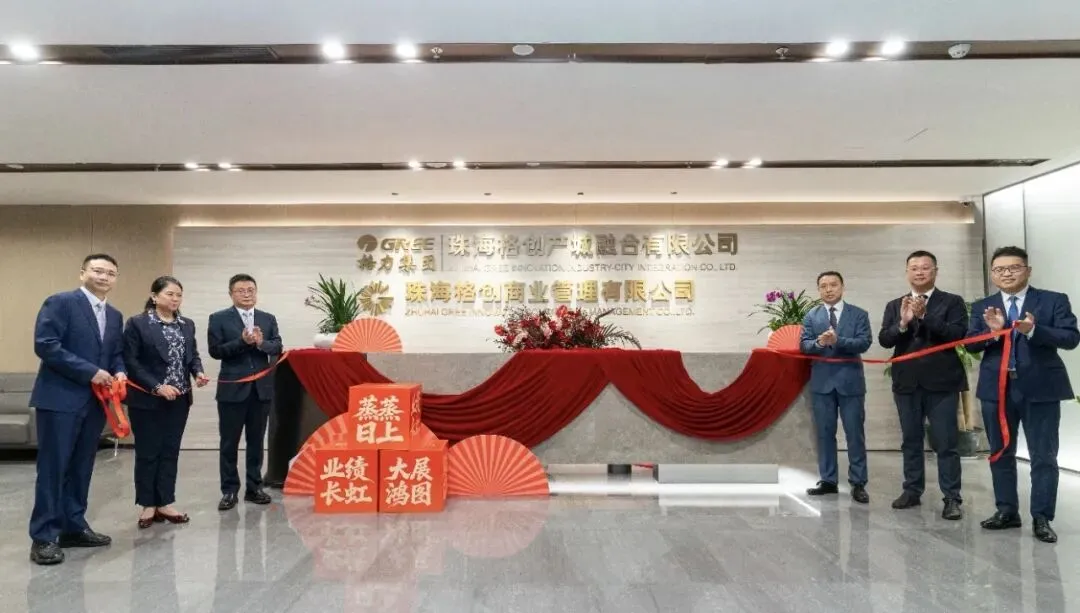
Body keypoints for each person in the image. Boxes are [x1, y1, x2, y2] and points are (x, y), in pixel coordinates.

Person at [967, 246, 1078, 543]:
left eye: (1014, 268)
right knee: (1000, 452)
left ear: (1027, 270)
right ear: (993, 274)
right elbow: (970, 345)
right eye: (1000, 269)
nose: (1007, 274)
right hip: (996, 390)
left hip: (1041, 389)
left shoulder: (1053, 300)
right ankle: (1006, 511)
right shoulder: (983, 307)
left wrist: (1033, 330)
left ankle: (1042, 517)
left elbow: (1070, 338)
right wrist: (993, 333)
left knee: (1043, 455)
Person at [28, 254, 126, 565]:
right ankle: (44, 536)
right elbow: (46, 344)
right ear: (82, 273)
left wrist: (119, 371)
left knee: (82, 467)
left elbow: (115, 353)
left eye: (110, 273)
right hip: (59, 400)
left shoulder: (115, 315)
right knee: (53, 468)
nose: (104, 277)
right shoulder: (60, 302)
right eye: (97, 270)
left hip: (95, 404)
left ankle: (73, 526)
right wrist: (90, 372)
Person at [878, 250, 968, 520]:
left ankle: (951, 497)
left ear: (935, 271)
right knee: (911, 440)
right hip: (906, 383)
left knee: (946, 443)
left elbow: (957, 334)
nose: (919, 272)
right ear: (907, 272)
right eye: (914, 267)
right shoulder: (895, 305)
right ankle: (912, 490)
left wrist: (926, 315)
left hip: (942, 383)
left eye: (925, 267)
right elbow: (885, 340)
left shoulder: (952, 301)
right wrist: (903, 323)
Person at [122, 276, 209, 529]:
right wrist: (157, 386)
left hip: (179, 399)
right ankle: (147, 504)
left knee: (170, 451)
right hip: (147, 399)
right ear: (154, 296)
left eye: (179, 295)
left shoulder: (186, 324)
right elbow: (131, 362)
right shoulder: (138, 323)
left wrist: (198, 372)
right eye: (170, 294)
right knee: (148, 451)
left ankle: (165, 502)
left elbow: (192, 355)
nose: (175, 299)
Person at [207, 274, 282, 511]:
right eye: (241, 290)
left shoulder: (267, 318)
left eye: (251, 290)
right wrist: (241, 341)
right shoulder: (218, 318)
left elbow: (277, 346)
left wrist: (260, 343)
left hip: (261, 391)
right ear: (231, 294)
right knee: (229, 442)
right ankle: (229, 491)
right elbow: (215, 351)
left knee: (256, 442)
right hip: (232, 390)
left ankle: (254, 488)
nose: (247, 294)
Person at [799, 271, 872, 503]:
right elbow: (804, 345)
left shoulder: (859, 314)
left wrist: (838, 341)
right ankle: (828, 480)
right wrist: (820, 342)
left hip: (851, 383)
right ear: (819, 290)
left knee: (855, 435)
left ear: (842, 287)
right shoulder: (811, 316)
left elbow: (864, 342)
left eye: (833, 285)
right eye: (823, 286)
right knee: (825, 434)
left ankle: (858, 483)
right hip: (822, 385)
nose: (828, 289)